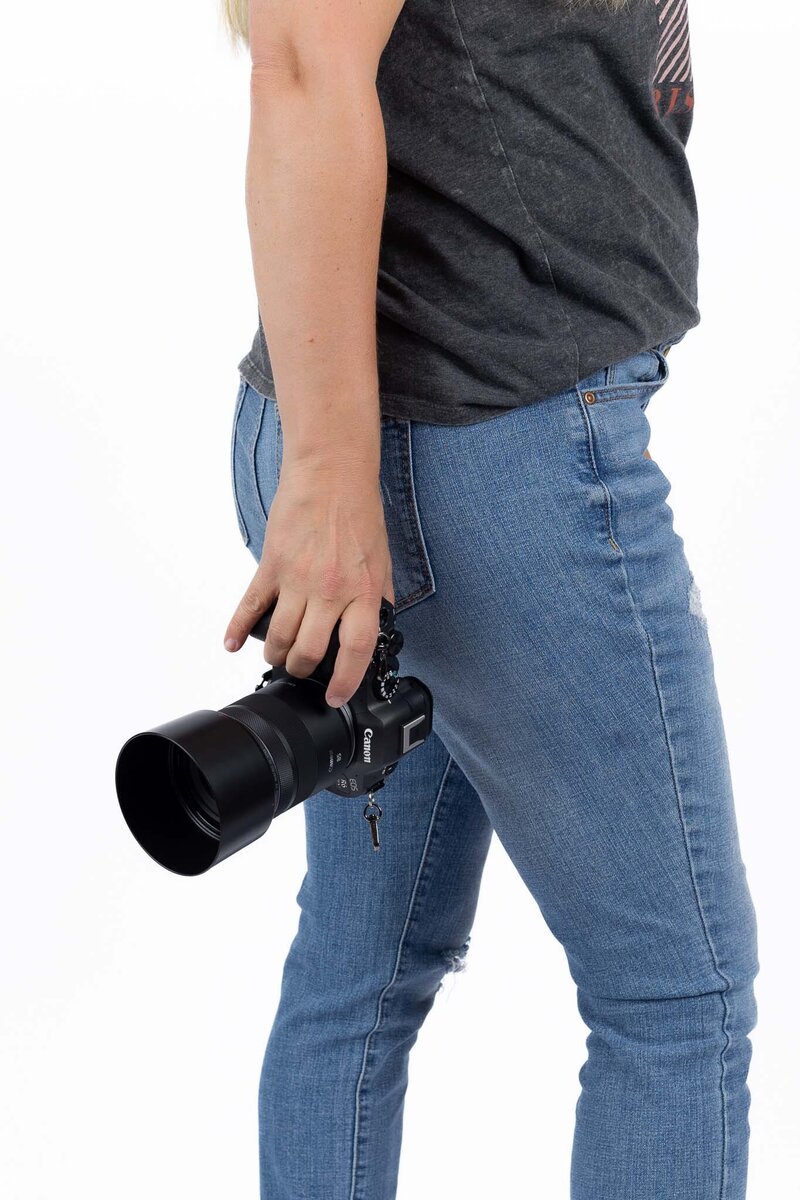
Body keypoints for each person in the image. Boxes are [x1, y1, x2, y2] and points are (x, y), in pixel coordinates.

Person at [221, 0, 760, 1195]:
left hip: (413, 441)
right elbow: (301, 62)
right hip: (475, 450)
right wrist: (324, 477)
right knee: (677, 1000)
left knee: (357, 975)